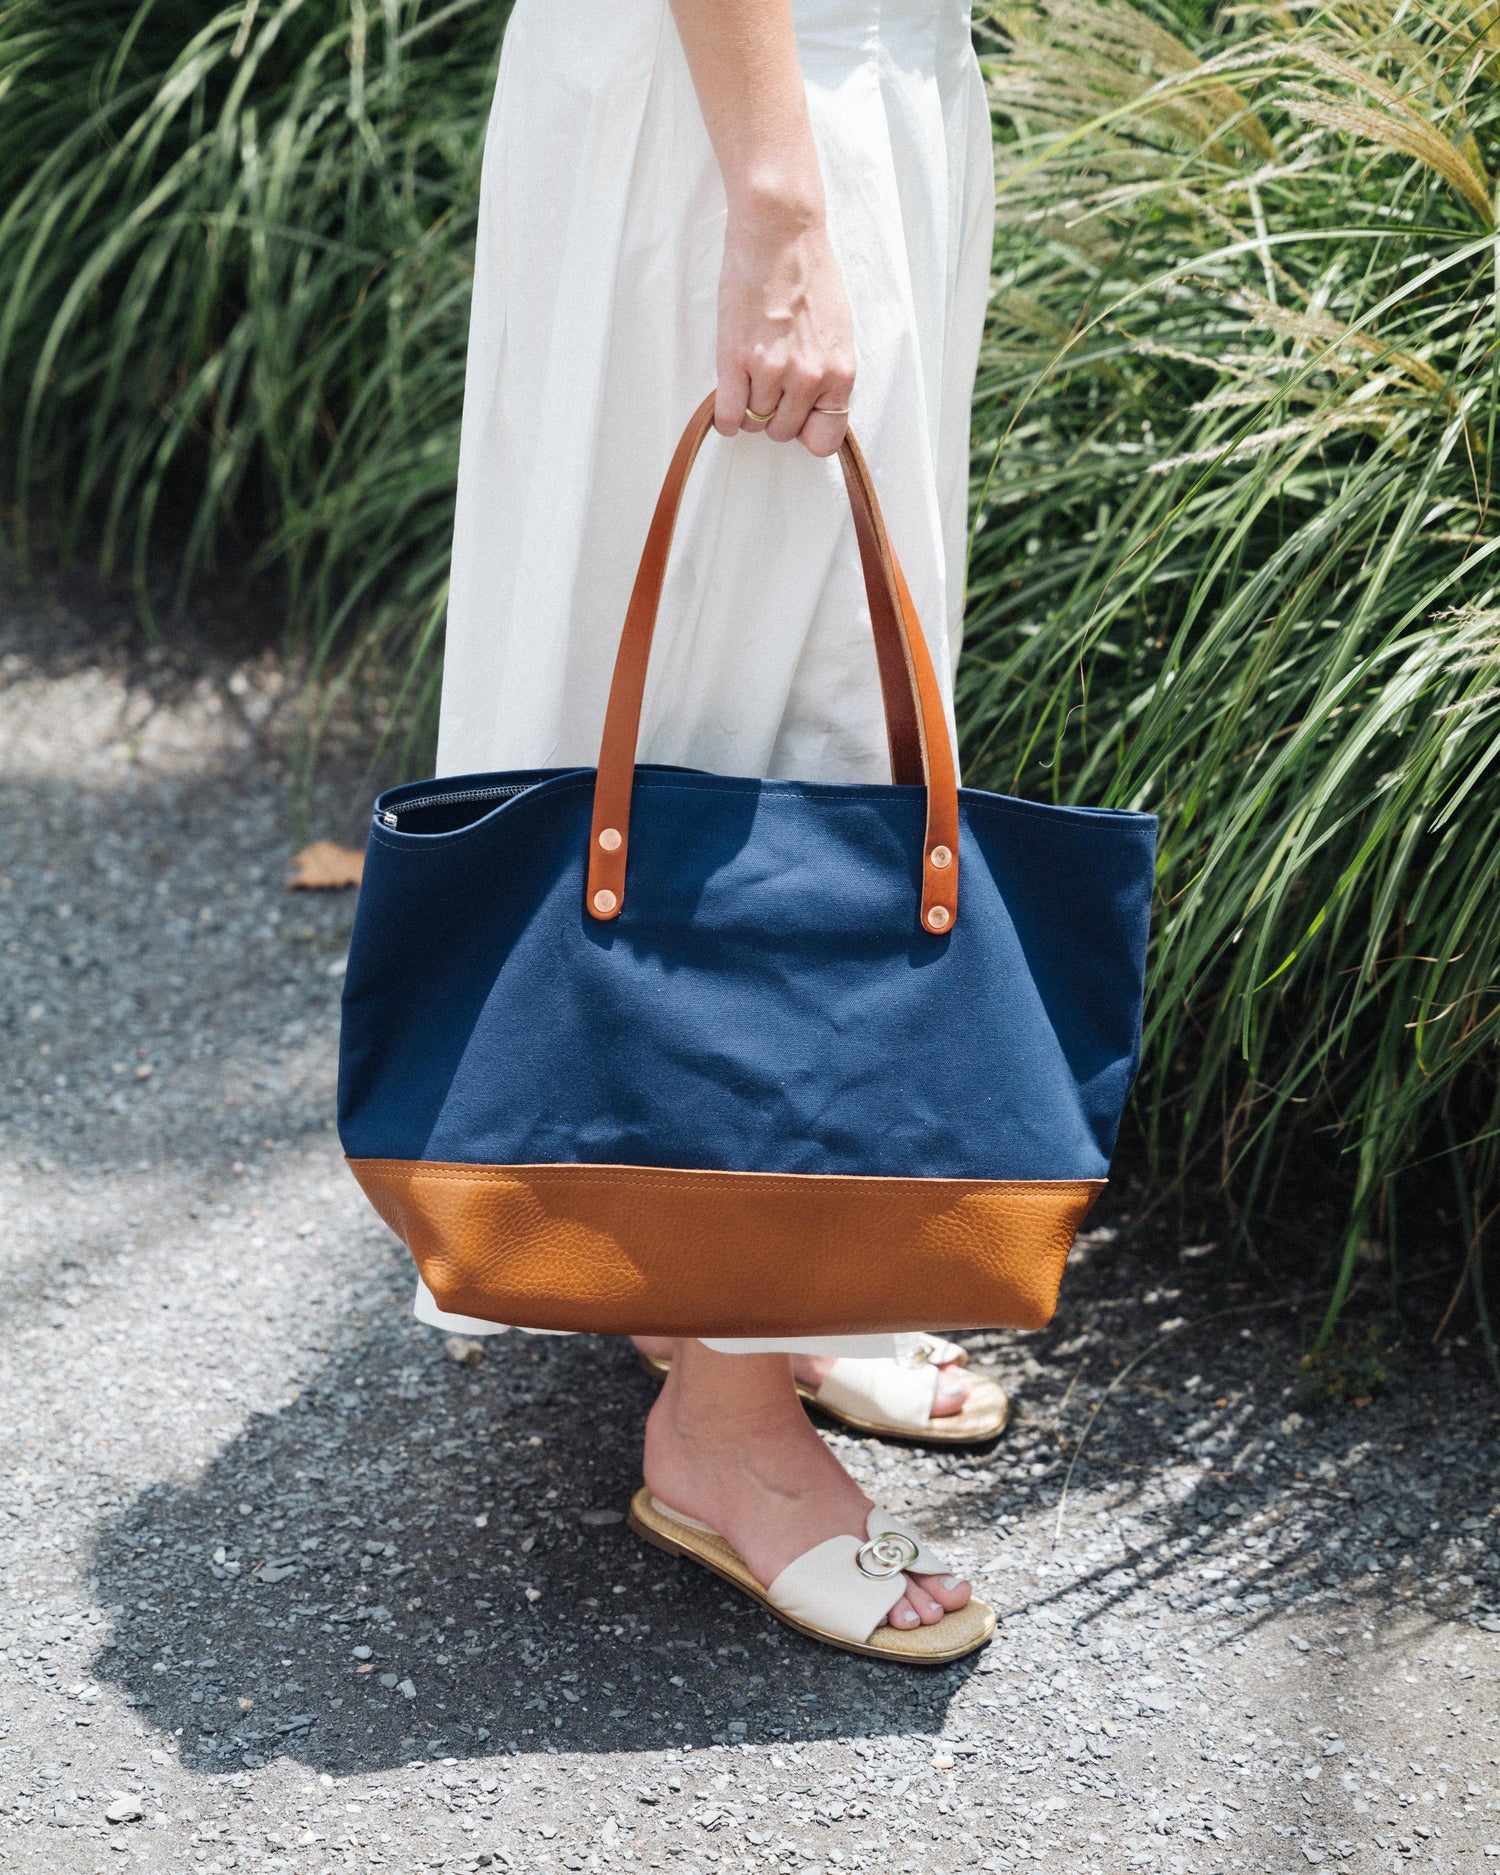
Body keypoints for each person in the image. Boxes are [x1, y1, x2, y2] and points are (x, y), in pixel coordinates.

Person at [430, 0, 998, 1658]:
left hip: (828, 88)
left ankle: (756, 1285)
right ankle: (728, 1430)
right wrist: (779, 200)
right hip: (756, 106)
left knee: (750, 705)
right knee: (783, 742)